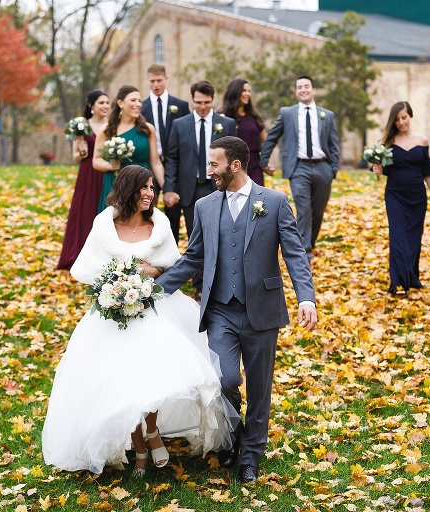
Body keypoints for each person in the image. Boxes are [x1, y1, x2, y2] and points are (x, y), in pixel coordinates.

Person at [43, 165, 238, 477]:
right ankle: (138, 441)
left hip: (155, 306)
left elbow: (174, 265)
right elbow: (85, 268)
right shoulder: (104, 224)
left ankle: (151, 431)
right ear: (127, 190)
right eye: (143, 188)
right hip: (114, 310)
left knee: (153, 369)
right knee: (122, 375)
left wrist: (154, 272)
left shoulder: (159, 225)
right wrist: (113, 287)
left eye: (152, 188)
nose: (149, 193)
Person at [156, 136, 317, 484]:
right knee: (225, 379)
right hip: (220, 311)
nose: (208, 170)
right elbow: (194, 256)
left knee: (260, 388)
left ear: (235, 165)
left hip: (261, 309)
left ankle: (252, 454)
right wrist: (153, 291)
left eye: (214, 164)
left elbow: (294, 253)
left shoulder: (273, 202)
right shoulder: (205, 206)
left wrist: (306, 297)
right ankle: (233, 431)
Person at [162, 79, 236, 300]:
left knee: (219, 235)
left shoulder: (226, 123)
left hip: (218, 188)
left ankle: (214, 281)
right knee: (197, 239)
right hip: (189, 188)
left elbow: (234, 157)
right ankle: (199, 284)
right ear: (192, 100)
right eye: (198, 102)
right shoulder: (180, 124)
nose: (202, 107)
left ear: (213, 100)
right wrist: (169, 188)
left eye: (206, 102)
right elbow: (172, 158)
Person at [259, 75, 340, 262]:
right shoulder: (287, 113)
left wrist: (332, 169)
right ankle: (305, 253)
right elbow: (272, 137)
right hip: (299, 168)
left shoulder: (327, 115)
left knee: (318, 212)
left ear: (314, 90)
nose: (303, 89)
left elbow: (334, 144)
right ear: (296, 92)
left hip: (323, 168)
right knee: (304, 210)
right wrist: (264, 160)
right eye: (299, 87)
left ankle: (310, 243)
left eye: (306, 86)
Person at [371, 101, 430, 295]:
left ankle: (411, 278)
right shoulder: (386, 144)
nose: (401, 122)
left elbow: (427, 171)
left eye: (404, 118)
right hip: (395, 195)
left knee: (414, 238)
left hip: (417, 196)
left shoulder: (422, 140)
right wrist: (377, 169)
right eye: (397, 119)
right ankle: (397, 282)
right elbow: (377, 169)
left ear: (410, 116)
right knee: (398, 236)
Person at [57, 90, 111, 270]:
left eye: (107, 103)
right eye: (101, 103)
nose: (105, 106)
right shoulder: (82, 126)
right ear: (91, 105)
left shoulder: (112, 125)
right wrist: (80, 151)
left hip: (106, 172)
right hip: (88, 174)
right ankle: (79, 254)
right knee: (85, 211)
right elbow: (76, 157)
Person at [93, 85, 165, 213]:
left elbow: (156, 162)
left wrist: (167, 188)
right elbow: (96, 161)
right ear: (121, 103)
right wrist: (110, 165)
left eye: (139, 100)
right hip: (115, 184)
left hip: (141, 185)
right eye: (133, 100)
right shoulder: (107, 130)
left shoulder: (148, 129)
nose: (138, 104)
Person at [141, 64, 190, 242]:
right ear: (148, 81)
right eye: (152, 81)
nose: (156, 85)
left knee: (173, 211)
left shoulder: (181, 106)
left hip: (175, 165)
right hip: (149, 165)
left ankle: (173, 254)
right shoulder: (141, 108)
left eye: (159, 80)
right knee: (146, 210)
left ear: (166, 79)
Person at [219, 78, 267, 186]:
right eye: (244, 90)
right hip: (230, 167)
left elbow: (265, 141)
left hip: (254, 166)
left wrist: (264, 161)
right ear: (235, 92)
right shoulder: (221, 116)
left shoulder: (254, 116)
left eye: (249, 91)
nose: (247, 94)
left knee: (257, 200)